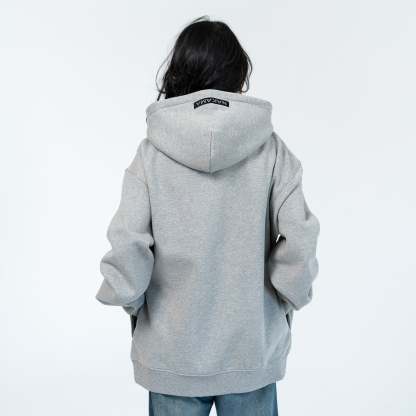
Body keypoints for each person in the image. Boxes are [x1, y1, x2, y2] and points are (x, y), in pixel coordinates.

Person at [96, 16, 320, 416]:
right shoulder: (271, 151)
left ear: (179, 72)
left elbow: (128, 245)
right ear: (237, 73)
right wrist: (285, 298)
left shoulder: (151, 155)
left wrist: (133, 301)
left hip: (171, 351)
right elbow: (299, 240)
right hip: (251, 349)